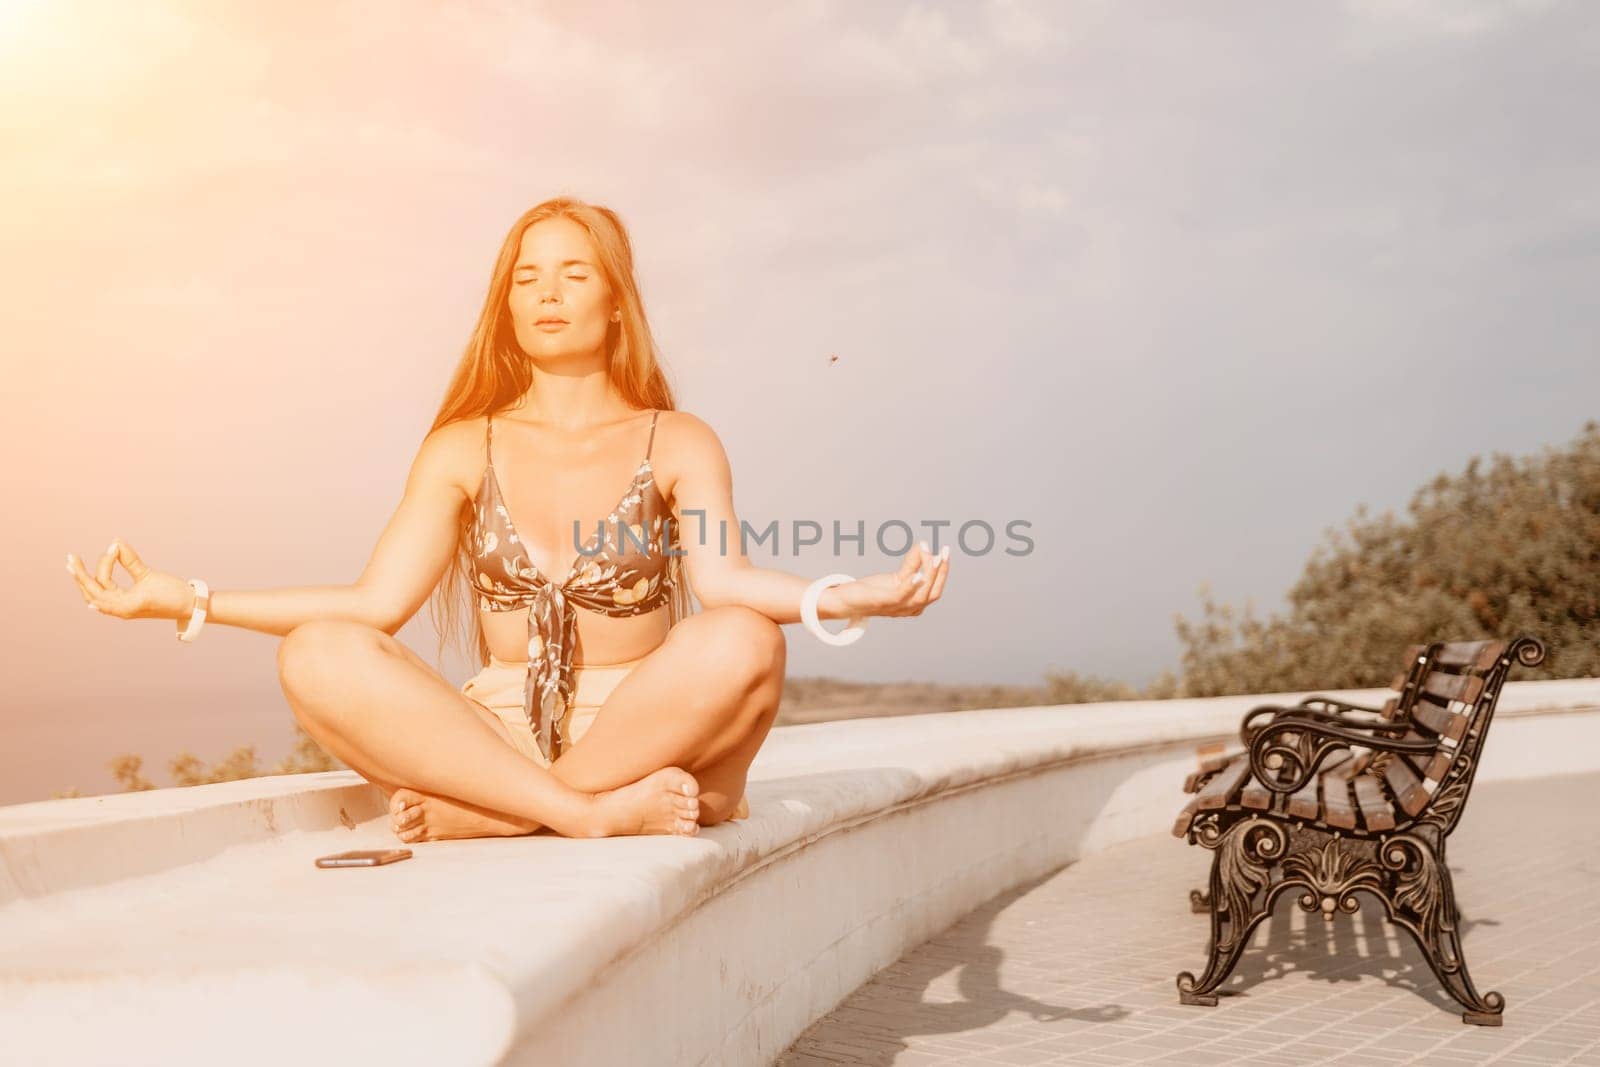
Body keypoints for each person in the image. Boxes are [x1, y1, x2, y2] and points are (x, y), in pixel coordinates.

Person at [64, 196, 951, 842]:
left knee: (747, 639)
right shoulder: (461, 447)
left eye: (573, 273)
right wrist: (189, 597)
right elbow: (373, 605)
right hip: (492, 731)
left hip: (643, 724)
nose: (546, 293)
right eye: (526, 277)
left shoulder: (678, 440)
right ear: (506, 304)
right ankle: (576, 812)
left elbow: (724, 581)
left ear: (617, 301)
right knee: (316, 650)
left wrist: (853, 595)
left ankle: (507, 811)